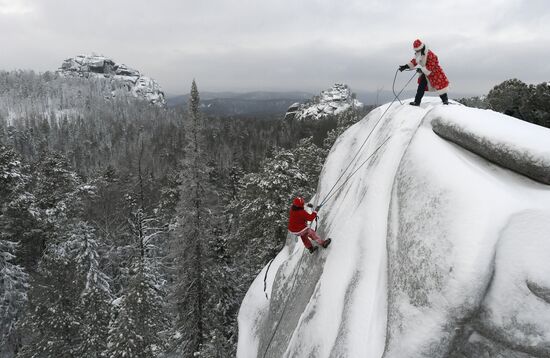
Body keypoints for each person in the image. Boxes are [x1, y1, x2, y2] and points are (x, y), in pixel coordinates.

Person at [398, 39, 450, 106]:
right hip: (426, 73)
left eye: (417, 50)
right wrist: (405, 66)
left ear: (421, 48)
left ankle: (445, 101)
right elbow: (414, 61)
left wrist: (422, 70)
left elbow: (432, 65)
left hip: (435, 73)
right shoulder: (419, 54)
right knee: (421, 86)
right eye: (415, 50)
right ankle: (417, 102)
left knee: (440, 87)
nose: (416, 51)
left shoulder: (430, 54)